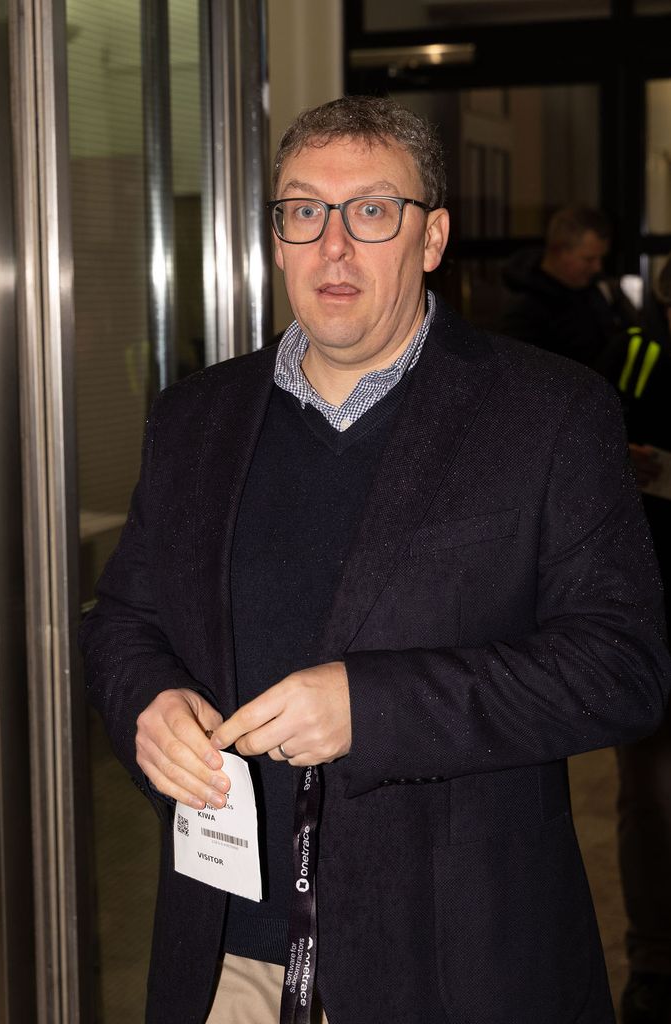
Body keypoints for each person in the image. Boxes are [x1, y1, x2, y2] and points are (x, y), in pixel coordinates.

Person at [79, 96, 671, 1024]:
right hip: (228, 953)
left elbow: (621, 670)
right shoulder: (195, 419)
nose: (334, 246)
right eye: (304, 211)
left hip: (454, 963)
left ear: (431, 238)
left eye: (371, 211)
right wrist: (147, 705)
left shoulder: (551, 414)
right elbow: (123, 620)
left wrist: (372, 707)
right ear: (277, 238)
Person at [617, 256, 671, 1024]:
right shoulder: (638, 351)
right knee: (652, 798)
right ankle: (654, 963)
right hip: (654, 608)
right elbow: (612, 445)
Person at [502, 205, 636, 383]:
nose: (597, 267)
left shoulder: (599, 290)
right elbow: (523, 377)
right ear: (560, 252)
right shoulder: (524, 309)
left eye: (601, 258)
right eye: (589, 259)